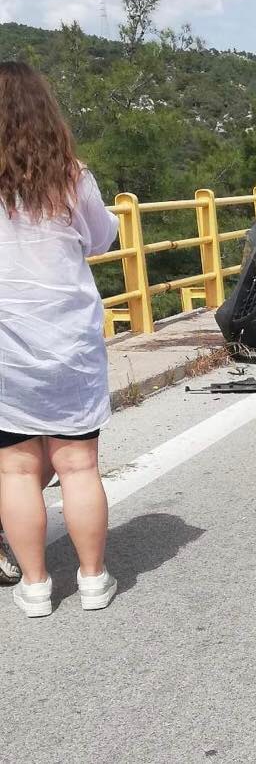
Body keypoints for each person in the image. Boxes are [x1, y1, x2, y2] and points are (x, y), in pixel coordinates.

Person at [0, 62, 120, 617]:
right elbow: (100, 238)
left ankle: (36, 586)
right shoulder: (71, 175)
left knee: (17, 470)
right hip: (68, 341)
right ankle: (93, 580)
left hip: (6, 344)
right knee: (78, 467)